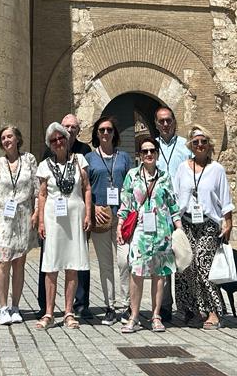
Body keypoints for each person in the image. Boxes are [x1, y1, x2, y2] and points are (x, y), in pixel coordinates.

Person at [117, 136, 181, 333]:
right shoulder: (132, 175)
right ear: (139, 154)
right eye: (145, 151)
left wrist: (179, 228)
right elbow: (126, 203)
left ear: (157, 153)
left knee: (159, 274)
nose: (149, 154)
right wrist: (120, 226)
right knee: (136, 272)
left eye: (152, 150)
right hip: (140, 231)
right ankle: (134, 316)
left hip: (162, 232)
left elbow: (172, 204)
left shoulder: (165, 177)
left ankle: (156, 316)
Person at [173, 125, 233, 330]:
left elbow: (225, 199)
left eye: (203, 142)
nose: (199, 145)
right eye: (196, 142)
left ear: (209, 145)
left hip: (208, 223)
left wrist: (228, 223)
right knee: (187, 265)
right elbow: (176, 196)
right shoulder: (183, 168)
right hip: (186, 222)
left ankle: (215, 310)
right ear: (190, 145)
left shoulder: (217, 169)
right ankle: (196, 309)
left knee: (203, 264)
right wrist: (175, 222)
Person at [35, 122, 92, 330]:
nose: (58, 142)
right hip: (53, 218)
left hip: (75, 216)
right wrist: (41, 221)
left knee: (72, 264)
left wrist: (88, 214)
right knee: (51, 265)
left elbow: (86, 188)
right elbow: (42, 194)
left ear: (67, 140)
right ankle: (49, 313)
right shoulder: (44, 165)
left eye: (61, 138)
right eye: (53, 140)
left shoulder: (79, 160)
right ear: (49, 144)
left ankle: (69, 312)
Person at [0, 125, 38, 325]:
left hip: (23, 216)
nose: (6, 140)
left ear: (17, 139)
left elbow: (36, 189)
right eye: (3, 138)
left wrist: (37, 212)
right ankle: (3, 307)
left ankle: (15, 307)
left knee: (19, 263)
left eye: (10, 136)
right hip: (2, 217)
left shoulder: (29, 159)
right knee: (4, 261)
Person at [86, 116, 133, 325]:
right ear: (96, 133)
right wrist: (93, 207)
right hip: (101, 217)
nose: (106, 133)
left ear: (115, 133)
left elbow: (131, 185)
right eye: (102, 130)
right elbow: (85, 188)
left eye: (109, 130)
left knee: (124, 261)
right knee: (105, 265)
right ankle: (110, 307)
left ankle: (126, 305)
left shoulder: (124, 158)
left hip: (122, 217)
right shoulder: (89, 158)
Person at [152, 106, 191, 323]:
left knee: (183, 256)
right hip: (161, 212)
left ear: (174, 122)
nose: (165, 124)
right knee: (163, 259)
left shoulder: (186, 146)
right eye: (161, 121)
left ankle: (186, 305)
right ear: (156, 124)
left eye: (168, 120)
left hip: (183, 209)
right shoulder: (152, 147)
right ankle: (165, 306)